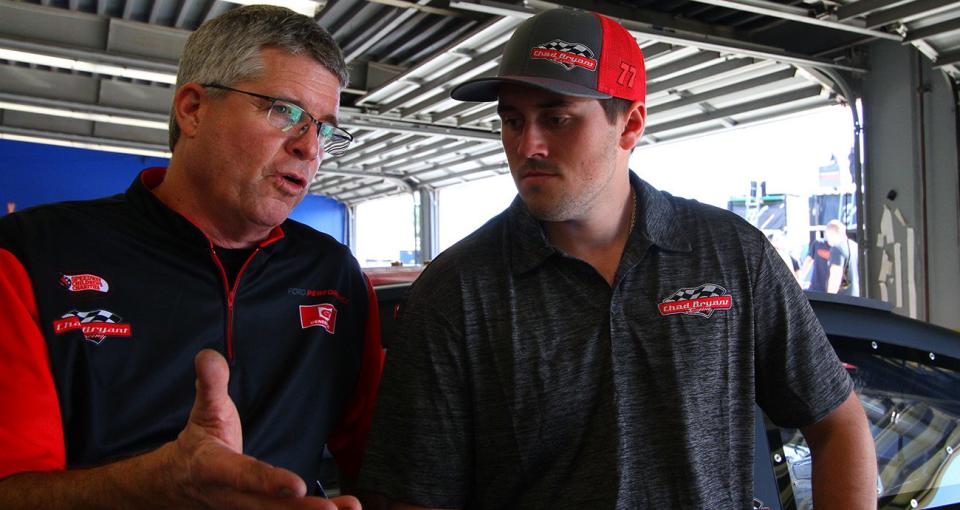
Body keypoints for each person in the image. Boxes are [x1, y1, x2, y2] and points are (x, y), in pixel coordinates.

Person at [359, 8, 876, 509]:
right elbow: (418, 494)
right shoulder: (457, 290)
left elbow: (838, 425)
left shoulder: (729, 256)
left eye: (556, 118)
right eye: (513, 121)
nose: (527, 145)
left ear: (629, 125)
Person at [0, 6, 382, 509]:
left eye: (325, 128)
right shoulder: (33, 256)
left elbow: (383, 465)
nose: (309, 147)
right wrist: (153, 487)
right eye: (284, 111)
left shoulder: (334, 275)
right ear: (193, 109)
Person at [825, 219, 860, 296]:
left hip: (842, 300)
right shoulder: (855, 246)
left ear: (832, 233)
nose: (827, 241)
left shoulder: (837, 249)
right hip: (857, 297)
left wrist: (829, 299)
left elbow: (835, 277)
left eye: (827, 236)